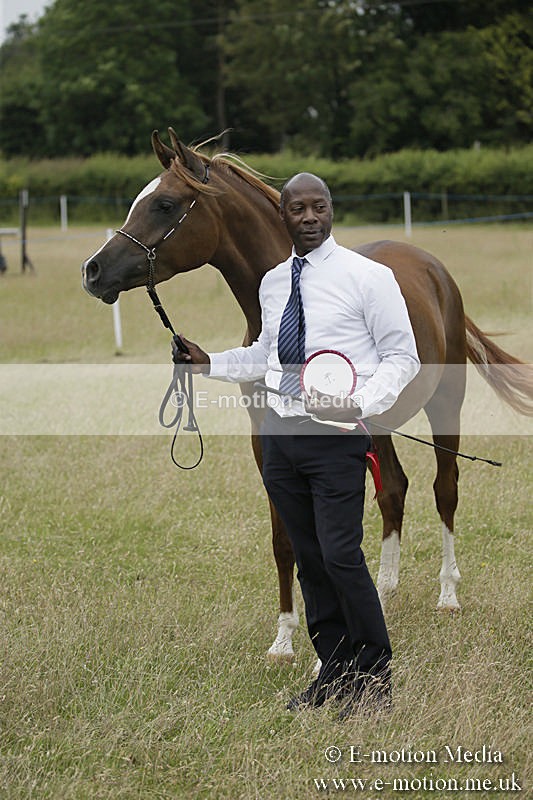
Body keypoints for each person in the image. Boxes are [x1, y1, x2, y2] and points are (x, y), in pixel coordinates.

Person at [173, 173, 420, 718]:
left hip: (334, 438)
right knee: (309, 560)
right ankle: (332, 674)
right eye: (298, 209)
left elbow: (403, 358)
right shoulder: (275, 283)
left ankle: (374, 680)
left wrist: (361, 404)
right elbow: (265, 354)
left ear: (332, 211)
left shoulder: (369, 278)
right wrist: (207, 362)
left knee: (341, 556)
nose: (309, 217)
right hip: (281, 438)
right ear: (282, 216)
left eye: (319, 207)